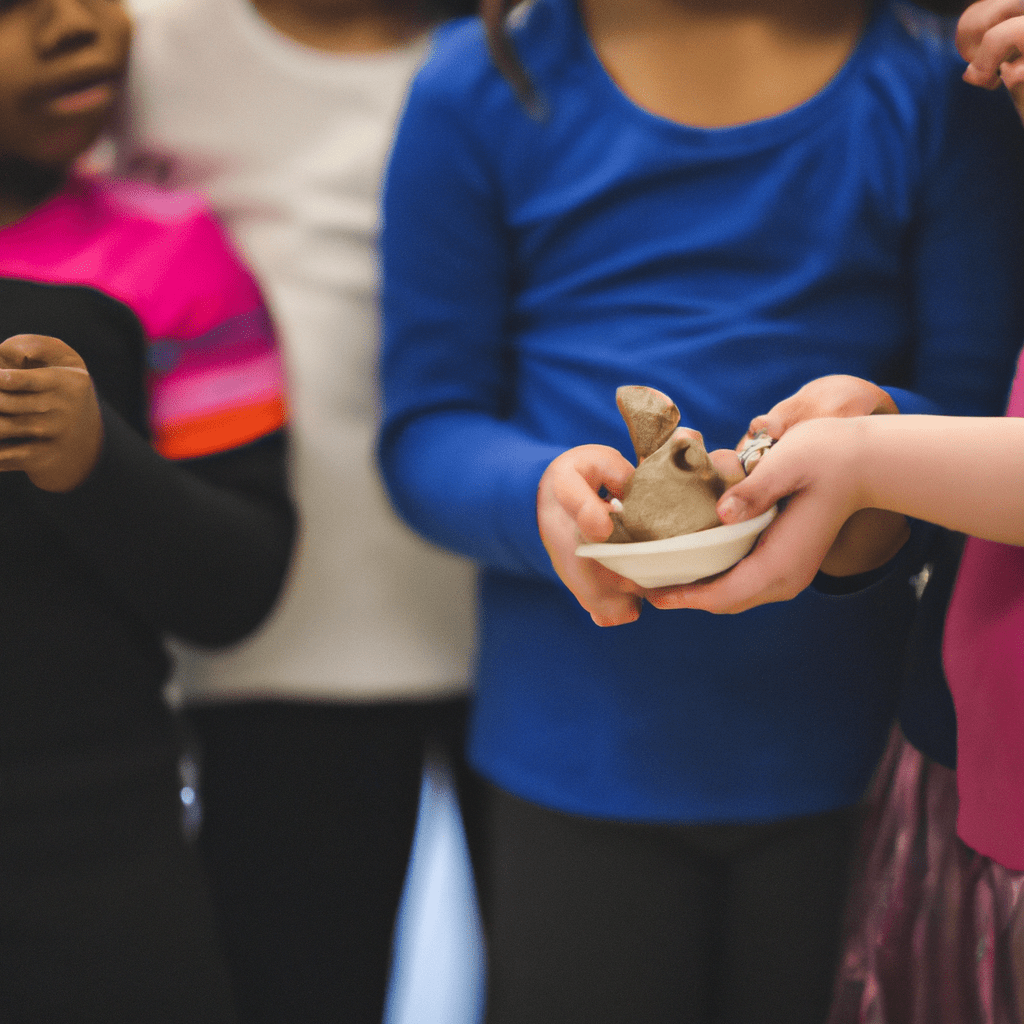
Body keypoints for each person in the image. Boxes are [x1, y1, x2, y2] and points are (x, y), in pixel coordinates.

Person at [376, 0, 1024, 1020]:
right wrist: (537, 494)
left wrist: (875, 454)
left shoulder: (933, 81)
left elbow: (986, 416)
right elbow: (426, 431)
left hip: (860, 762)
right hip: (571, 752)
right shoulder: (480, 86)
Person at [113, 2, 483, 1022]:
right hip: (271, 627)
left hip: (533, 605)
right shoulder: (144, 40)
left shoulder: (532, 43)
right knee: (298, 981)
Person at [0, 0, 296, 1020]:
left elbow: (240, 582)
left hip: (96, 843)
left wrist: (96, 460)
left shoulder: (168, 251)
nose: (72, 28)